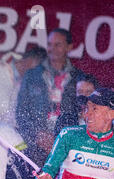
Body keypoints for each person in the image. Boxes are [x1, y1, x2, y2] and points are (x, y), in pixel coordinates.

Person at [16, 28, 85, 167]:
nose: (52, 48)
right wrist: (37, 135)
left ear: (69, 47)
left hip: (66, 148)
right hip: (36, 146)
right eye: (49, 44)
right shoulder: (32, 75)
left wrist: (63, 140)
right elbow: (21, 112)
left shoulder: (79, 78)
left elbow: (83, 114)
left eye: (57, 45)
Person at [0, 45, 47, 127]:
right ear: (30, 60)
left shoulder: (22, 83)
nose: (38, 73)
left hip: (1, 132)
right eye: (38, 67)